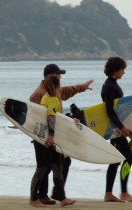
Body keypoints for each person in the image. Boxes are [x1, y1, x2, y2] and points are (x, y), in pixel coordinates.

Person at [29, 64, 94, 205]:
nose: (60, 77)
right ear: (50, 77)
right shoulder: (38, 95)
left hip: (55, 134)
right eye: (58, 75)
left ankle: (59, 195)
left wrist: (82, 87)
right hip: (44, 137)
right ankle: (39, 196)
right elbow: (36, 119)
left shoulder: (55, 90)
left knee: (60, 163)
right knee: (44, 167)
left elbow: (67, 91)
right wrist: (43, 137)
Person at [30, 74, 76, 207]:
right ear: (58, 86)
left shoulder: (46, 97)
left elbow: (57, 118)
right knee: (42, 167)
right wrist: (51, 136)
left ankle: (62, 198)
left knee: (58, 166)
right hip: (47, 138)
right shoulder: (52, 99)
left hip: (49, 137)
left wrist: (72, 121)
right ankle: (33, 199)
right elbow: (51, 118)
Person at [101, 57, 132, 202]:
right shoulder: (110, 86)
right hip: (115, 130)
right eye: (122, 69)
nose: (124, 72)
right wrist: (121, 128)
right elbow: (109, 111)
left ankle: (110, 193)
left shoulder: (111, 84)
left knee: (116, 159)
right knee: (128, 157)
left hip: (116, 128)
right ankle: (122, 192)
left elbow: (118, 110)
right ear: (115, 70)